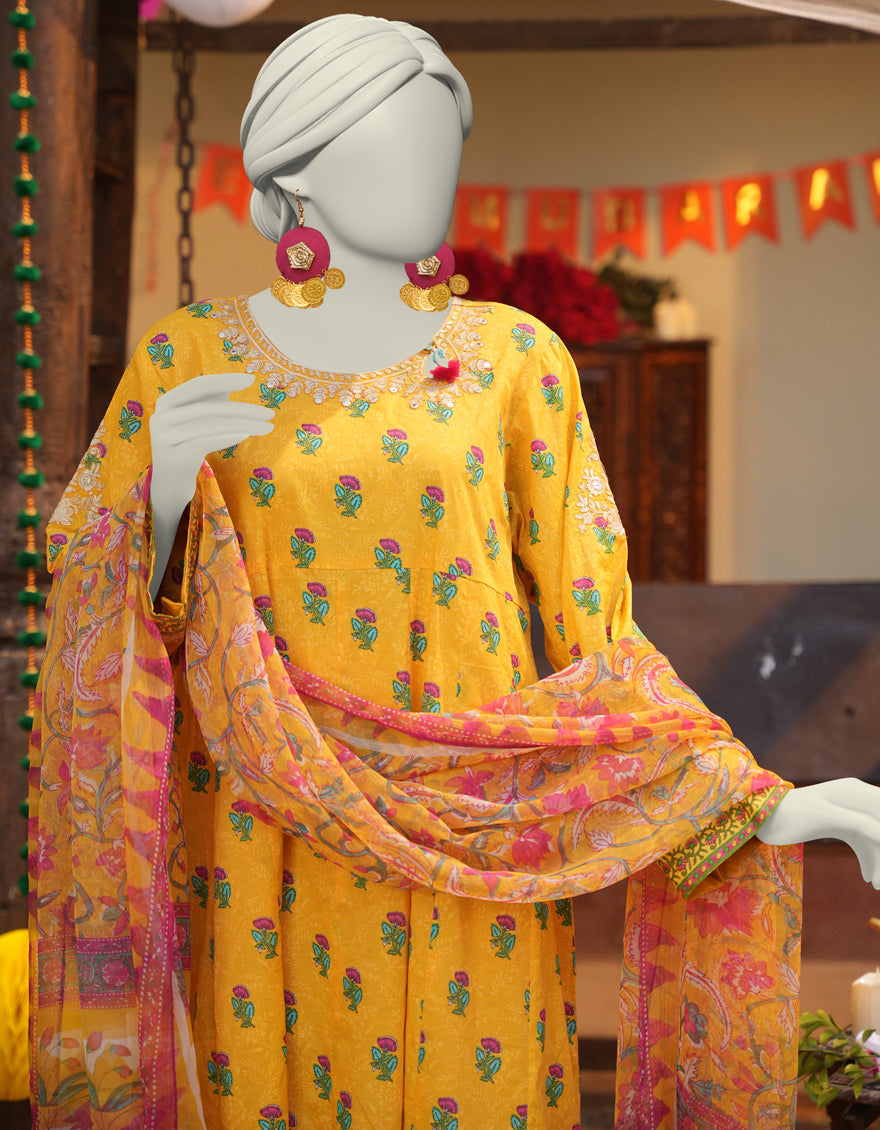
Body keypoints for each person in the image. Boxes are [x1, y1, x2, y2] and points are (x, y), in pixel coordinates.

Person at [28, 13, 880, 1130]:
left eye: (444, 145)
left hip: (481, 829)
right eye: (398, 145)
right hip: (259, 830)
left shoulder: (514, 356)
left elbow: (597, 636)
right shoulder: (191, 358)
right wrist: (162, 496)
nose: (431, 175)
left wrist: (749, 798)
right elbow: (94, 620)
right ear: (296, 169)